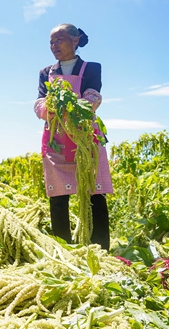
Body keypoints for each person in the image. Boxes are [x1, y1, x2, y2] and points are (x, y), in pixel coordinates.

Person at [34, 23, 112, 250]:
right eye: (51, 42)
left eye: (59, 40)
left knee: (95, 192)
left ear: (75, 41)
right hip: (56, 139)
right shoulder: (45, 73)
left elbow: (92, 95)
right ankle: (63, 248)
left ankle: (101, 248)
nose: (54, 45)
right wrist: (48, 108)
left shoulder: (91, 68)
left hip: (85, 138)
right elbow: (39, 101)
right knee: (58, 197)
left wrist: (73, 108)